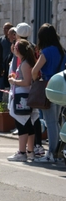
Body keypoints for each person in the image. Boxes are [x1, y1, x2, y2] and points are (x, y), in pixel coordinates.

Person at [32, 23, 66, 163]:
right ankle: (57, 152)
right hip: (61, 89)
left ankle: (51, 153)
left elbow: (35, 70)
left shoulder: (46, 52)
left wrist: (36, 80)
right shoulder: (61, 50)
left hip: (49, 87)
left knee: (50, 121)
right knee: (56, 121)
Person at [7, 40, 39, 161]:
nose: (13, 49)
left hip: (22, 96)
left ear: (18, 49)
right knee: (28, 124)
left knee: (22, 124)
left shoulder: (25, 63)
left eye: (15, 47)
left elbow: (26, 82)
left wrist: (14, 81)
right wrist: (16, 77)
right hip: (24, 95)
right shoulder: (26, 62)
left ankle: (22, 152)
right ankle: (30, 151)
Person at [0, 22, 13, 102]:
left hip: (11, 65)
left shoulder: (14, 41)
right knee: (0, 85)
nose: (5, 30)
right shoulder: (0, 40)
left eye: (7, 28)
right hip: (2, 65)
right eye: (4, 28)